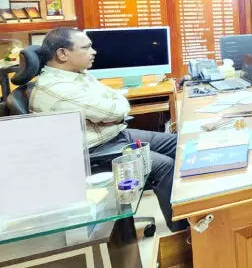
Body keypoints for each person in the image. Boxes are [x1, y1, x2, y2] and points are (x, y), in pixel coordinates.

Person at [29, 28, 187, 232]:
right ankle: (182, 233)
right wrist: (112, 112)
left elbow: (115, 98)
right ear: (62, 54)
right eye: (86, 47)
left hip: (114, 135)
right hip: (94, 152)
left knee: (179, 143)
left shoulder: (77, 75)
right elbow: (117, 108)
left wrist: (112, 112)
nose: (94, 51)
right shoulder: (56, 88)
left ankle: (194, 207)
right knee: (165, 166)